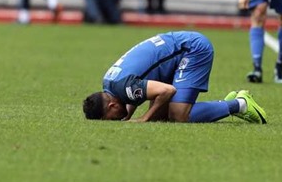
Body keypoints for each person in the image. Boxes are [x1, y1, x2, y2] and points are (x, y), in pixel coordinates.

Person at [82, 31, 267, 124]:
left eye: (112, 118)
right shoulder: (110, 83)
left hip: (193, 49)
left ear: (112, 105)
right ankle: (223, 104)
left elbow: (167, 90)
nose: (116, 121)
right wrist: (129, 115)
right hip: (178, 49)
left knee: (178, 115)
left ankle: (240, 104)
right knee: (162, 117)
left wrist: (144, 118)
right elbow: (132, 93)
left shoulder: (123, 87)